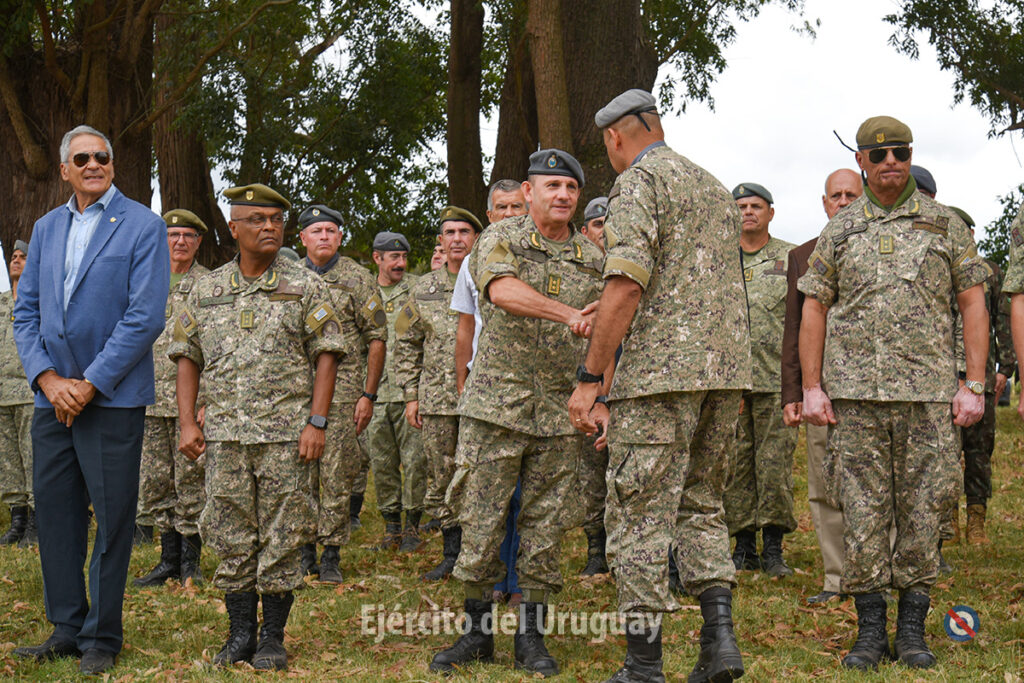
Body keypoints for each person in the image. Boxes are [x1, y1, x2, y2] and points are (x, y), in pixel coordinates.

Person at [569, 88, 750, 683]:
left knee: (639, 513)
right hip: (723, 372)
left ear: (615, 136)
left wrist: (590, 377)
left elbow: (627, 283)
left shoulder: (637, 183)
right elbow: (687, 279)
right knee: (703, 504)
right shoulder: (712, 186)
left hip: (659, 379)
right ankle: (719, 643)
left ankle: (644, 664)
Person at [799, 116, 989, 671]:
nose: (890, 163)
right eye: (879, 155)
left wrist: (974, 384)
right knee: (861, 513)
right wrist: (812, 387)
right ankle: (869, 631)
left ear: (910, 156)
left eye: (900, 153)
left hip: (928, 399)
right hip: (855, 399)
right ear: (861, 161)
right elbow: (815, 306)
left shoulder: (944, 224)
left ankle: (911, 631)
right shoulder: (841, 230)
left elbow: (972, 303)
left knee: (925, 512)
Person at [430, 149, 605, 677]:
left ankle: (531, 638)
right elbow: (501, 290)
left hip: (559, 412)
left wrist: (600, 392)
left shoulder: (594, 258)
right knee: (481, 519)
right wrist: (569, 314)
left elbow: (610, 329)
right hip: (496, 406)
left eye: (570, 188)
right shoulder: (498, 239)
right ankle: (476, 634)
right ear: (528, 192)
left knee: (544, 528)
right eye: (552, 185)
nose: (563, 195)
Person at [12, 125, 170, 675]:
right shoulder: (46, 228)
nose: (93, 164)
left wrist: (89, 383)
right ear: (65, 170)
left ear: (113, 164)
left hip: (112, 399)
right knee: (56, 516)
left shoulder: (143, 226)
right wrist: (47, 379)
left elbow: (144, 316)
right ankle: (65, 626)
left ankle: (102, 635)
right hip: (51, 400)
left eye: (101, 156)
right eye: (81, 158)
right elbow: (26, 313)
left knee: (112, 519)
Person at [170, 183, 346, 671]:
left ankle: (272, 636)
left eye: (276, 220)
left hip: (286, 436)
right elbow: (186, 356)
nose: (269, 227)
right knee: (229, 532)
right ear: (234, 228)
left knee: (284, 533)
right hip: (225, 435)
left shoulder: (304, 286)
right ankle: (239, 633)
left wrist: (316, 422)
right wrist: (186, 422)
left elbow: (327, 354)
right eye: (257, 219)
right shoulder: (206, 290)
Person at [780, 168, 862, 604]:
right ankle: (836, 578)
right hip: (822, 389)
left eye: (852, 194)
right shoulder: (804, 256)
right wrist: (793, 393)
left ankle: (877, 577)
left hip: (873, 388)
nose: (843, 202)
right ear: (825, 202)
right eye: (836, 195)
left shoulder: (883, 246)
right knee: (825, 485)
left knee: (876, 487)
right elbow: (794, 328)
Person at [296, 204, 386, 582]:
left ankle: (331, 553)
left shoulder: (357, 279)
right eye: (316, 231)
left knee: (336, 473)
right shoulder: (289, 277)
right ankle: (303, 550)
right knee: (299, 473)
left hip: (344, 393)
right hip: (296, 391)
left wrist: (368, 395)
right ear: (302, 238)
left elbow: (377, 338)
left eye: (330, 231)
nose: (324, 237)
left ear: (340, 237)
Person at [450, 179, 530, 603]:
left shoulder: (540, 256)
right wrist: (462, 382)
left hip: (534, 385)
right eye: (501, 208)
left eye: (517, 207)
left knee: (527, 495)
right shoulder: (472, 261)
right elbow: (466, 326)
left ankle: (520, 581)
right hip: (488, 387)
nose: (509, 215)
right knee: (490, 491)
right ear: (489, 215)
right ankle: (493, 580)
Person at [393, 206, 481, 580]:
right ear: (441, 241)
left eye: (465, 231)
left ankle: (484, 554)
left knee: (481, 476)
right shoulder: (422, 289)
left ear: (476, 238)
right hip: (438, 400)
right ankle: (451, 552)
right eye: (450, 232)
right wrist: (411, 395)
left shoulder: (490, 279)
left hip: (484, 399)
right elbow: (406, 343)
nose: (457, 239)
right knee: (442, 475)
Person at [723, 182, 797, 577]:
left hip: (776, 379)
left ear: (770, 212)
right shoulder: (718, 258)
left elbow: (804, 320)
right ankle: (742, 546)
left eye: (755, 206)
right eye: (740, 207)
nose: (748, 212)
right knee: (735, 465)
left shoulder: (791, 258)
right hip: (730, 381)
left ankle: (773, 548)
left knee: (774, 465)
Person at [134, 210, 210, 587]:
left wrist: (206, 400)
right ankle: (168, 560)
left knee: (191, 480)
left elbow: (216, 347)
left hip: (189, 404)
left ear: (198, 242)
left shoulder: (210, 286)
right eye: (173, 234)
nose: (180, 241)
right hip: (148, 398)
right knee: (156, 482)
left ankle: (191, 563)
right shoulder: (143, 280)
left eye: (188, 235)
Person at [949, 206, 1014, 545]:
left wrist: (1006, 368)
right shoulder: (936, 269)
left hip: (982, 376)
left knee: (979, 452)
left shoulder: (990, 272)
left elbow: (1003, 320)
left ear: (972, 235)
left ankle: (977, 520)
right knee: (945, 453)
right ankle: (947, 521)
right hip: (943, 377)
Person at [366, 231, 424, 551]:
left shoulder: (418, 289)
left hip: (408, 392)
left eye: (403, 257)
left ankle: (412, 528)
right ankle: (391, 528)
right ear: (378, 258)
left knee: (415, 461)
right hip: (375, 393)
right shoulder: (365, 292)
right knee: (382, 463)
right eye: (394, 257)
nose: (400, 263)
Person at [0, 241, 36, 547]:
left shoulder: (40, 301)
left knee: (34, 457)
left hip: (29, 392)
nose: (17, 261)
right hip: (2, 395)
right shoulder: (0, 303)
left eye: (24, 257)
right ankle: (17, 520)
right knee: (8, 461)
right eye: (13, 257)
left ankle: (37, 521)